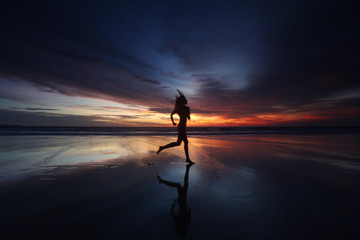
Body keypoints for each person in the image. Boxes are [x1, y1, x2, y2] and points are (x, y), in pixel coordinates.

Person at [157, 90, 193, 164]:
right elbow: (188, 117)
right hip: (182, 127)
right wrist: (188, 116)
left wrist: (173, 122)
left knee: (178, 143)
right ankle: (187, 159)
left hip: (181, 126)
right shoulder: (186, 108)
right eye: (185, 99)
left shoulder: (178, 109)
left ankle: (162, 147)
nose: (186, 100)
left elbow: (171, 115)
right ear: (183, 101)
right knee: (185, 142)